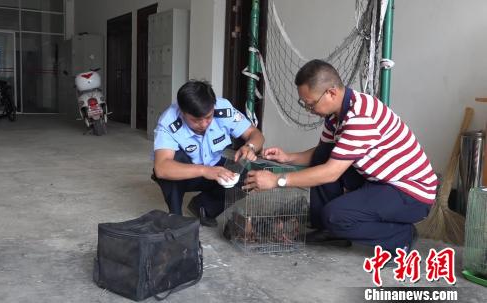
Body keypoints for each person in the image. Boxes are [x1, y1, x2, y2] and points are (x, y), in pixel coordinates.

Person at [243, 59, 437, 254]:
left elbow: (331, 172)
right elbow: (325, 153)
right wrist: (288, 158)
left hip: (411, 192)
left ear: (331, 93)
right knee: (323, 154)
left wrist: (277, 180)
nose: (310, 111)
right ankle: (329, 232)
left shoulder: (360, 117)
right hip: (379, 180)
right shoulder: (336, 114)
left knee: (336, 216)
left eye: (311, 105)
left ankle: (401, 237)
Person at [152, 80, 265, 227]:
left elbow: (256, 134)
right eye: (196, 120)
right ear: (182, 112)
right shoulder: (169, 121)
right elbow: (161, 168)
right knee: (174, 162)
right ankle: (176, 217)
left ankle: (204, 208)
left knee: (247, 177)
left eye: (208, 117)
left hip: (213, 165)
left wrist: (250, 146)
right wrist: (204, 171)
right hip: (187, 173)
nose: (204, 124)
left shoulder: (224, 109)